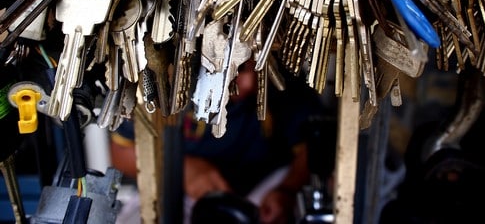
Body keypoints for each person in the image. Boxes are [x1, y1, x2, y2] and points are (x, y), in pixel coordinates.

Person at [110, 58, 324, 224]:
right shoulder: (166, 82)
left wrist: (287, 190)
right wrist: (181, 169)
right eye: (237, 70)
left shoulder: (283, 82)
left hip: (260, 192)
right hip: (177, 189)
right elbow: (120, 152)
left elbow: (311, 150)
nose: (249, 84)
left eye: (255, 68)